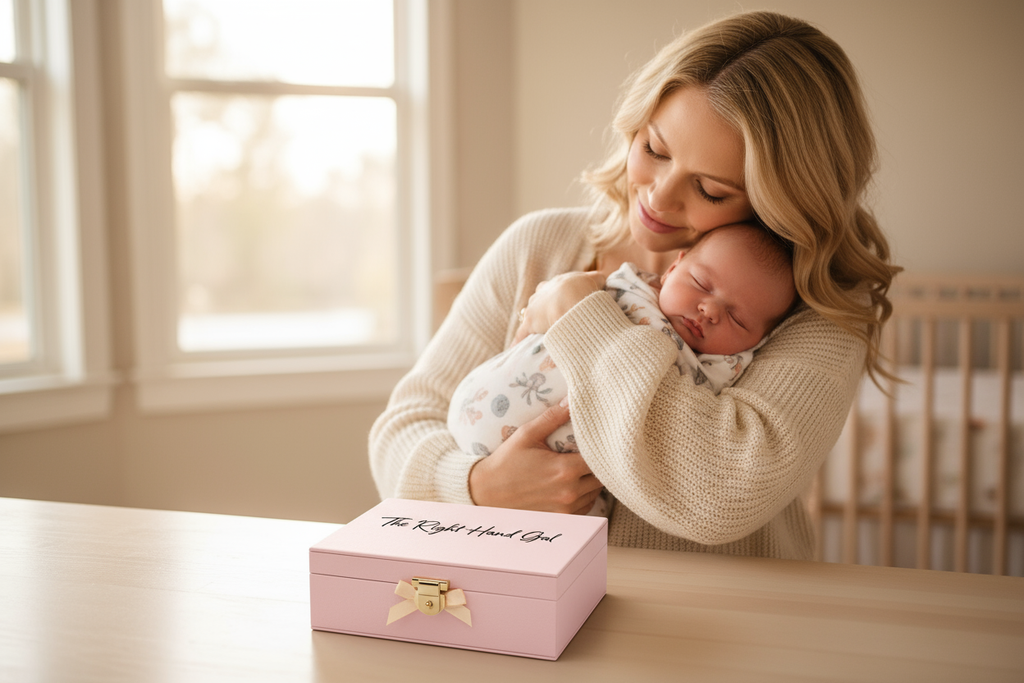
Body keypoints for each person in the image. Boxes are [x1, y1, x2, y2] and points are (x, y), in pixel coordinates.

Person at [369, 10, 900, 560]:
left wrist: (584, 316)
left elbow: (720, 496)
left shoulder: (817, 306)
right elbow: (402, 429)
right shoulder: (540, 246)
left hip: (728, 626)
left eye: (711, 190)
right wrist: (477, 487)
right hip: (534, 615)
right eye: (654, 149)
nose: (659, 197)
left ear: (781, 202)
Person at [447, 222, 797, 461]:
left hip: (560, 482)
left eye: (737, 319)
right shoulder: (623, 287)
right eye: (702, 285)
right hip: (477, 399)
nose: (709, 310)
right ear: (673, 269)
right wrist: (476, 484)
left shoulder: (717, 374)